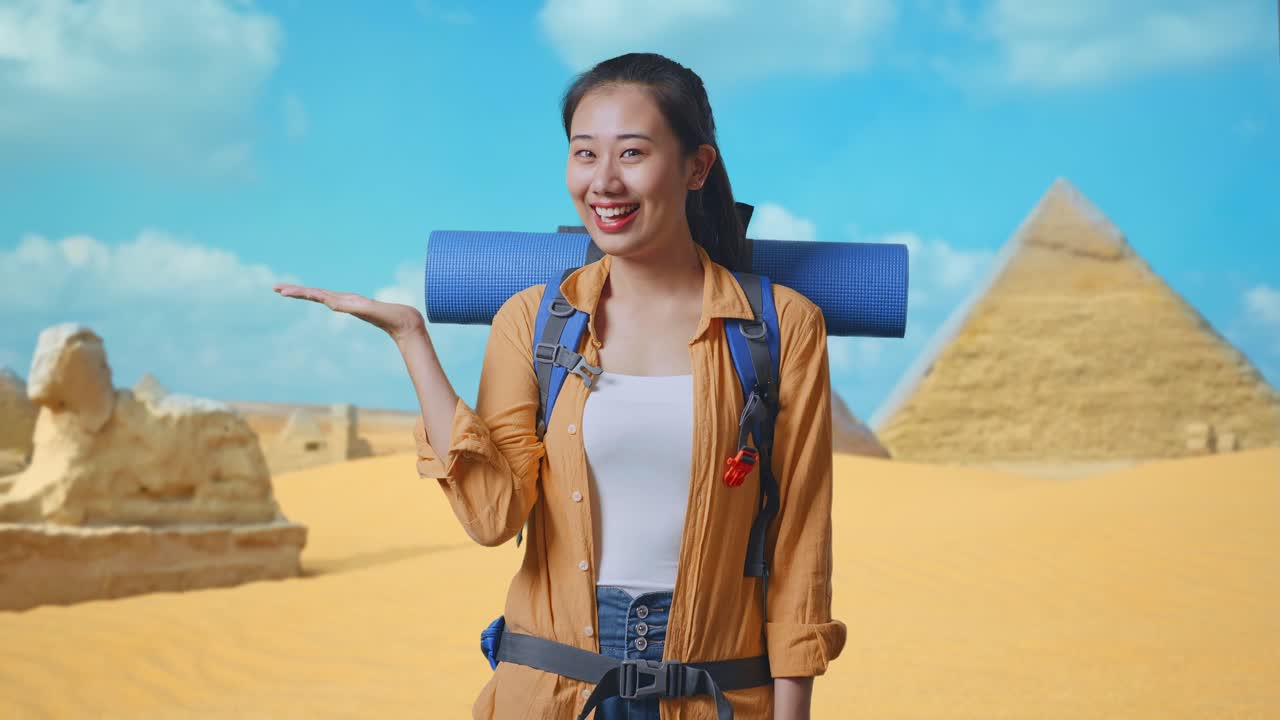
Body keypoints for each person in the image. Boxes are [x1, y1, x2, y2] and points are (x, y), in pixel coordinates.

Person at [274, 52, 845, 720]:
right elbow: (493, 517)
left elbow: (801, 539)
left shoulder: (780, 327)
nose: (603, 182)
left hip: (715, 691)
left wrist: (794, 710)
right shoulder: (535, 320)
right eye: (584, 154)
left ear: (696, 167)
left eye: (632, 153)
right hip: (549, 692)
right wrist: (410, 338)